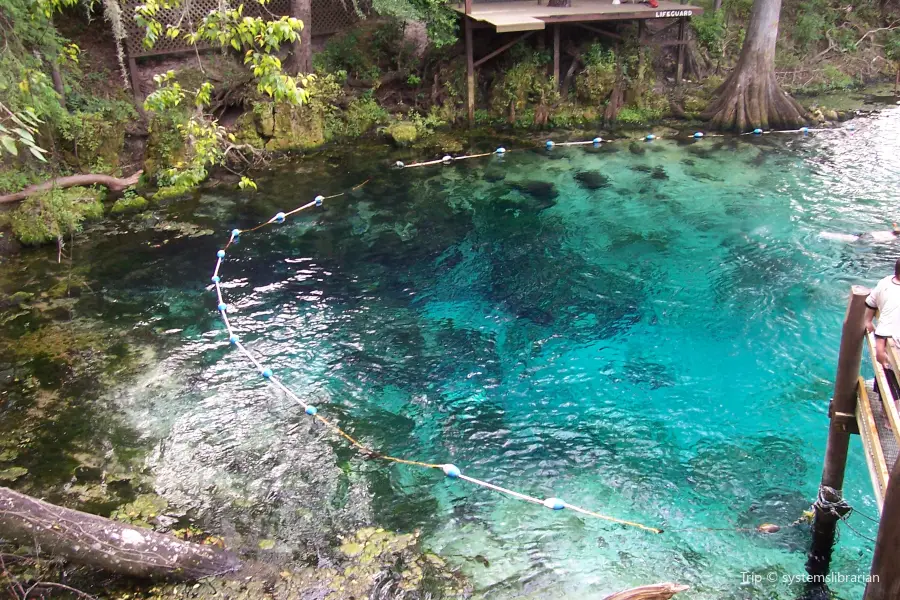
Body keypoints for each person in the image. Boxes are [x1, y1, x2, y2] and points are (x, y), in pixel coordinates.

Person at [865, 258, 900, 369]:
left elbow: (871, 302)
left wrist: (868, 320)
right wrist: (879, 349)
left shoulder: (886, 281)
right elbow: (888, 323)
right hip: (893, 355)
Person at [820, 223, 900, 243]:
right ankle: (825, 236)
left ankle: (825, 235)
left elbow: (896, 228)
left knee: (850, 238)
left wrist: (895, 224)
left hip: (868, 235)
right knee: (850, 240)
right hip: (870, 238)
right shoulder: (893, 238)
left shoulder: (890, 233)